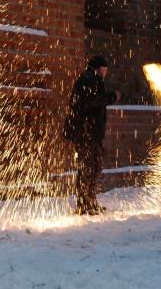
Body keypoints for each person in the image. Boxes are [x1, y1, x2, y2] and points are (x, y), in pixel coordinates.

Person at [64, 56, 120, 215]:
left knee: (94, 167)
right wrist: (112, 97)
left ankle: (90, 201)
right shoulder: (89, 80)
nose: (106, 72)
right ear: (99, 68)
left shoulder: (92, 79)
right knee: (88, 168)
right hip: (85, 134)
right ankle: (84, 204)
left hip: (90, 134)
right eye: (105, 69)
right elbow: (93, 101)